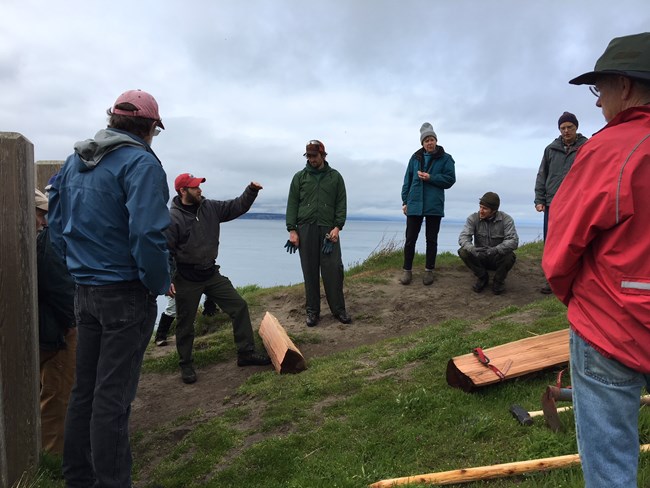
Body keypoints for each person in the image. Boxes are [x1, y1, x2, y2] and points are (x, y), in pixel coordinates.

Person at [48, 89, 171, 487]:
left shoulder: (74, 161)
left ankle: (77, 479)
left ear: (112, 119)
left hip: (85, 291)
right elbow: (149, 235)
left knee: (85, 392)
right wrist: (156, 284)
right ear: (151, 126)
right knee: (113, 400)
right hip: (125, 292)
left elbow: (54, 224)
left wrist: (77, 268)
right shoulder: (141, 163)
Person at [542, 33, 650, 488]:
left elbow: (559, 252)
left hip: (610, 326)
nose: (598, 101)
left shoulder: (609, 149)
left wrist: (576, 298)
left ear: (625, 85)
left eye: (599, 88)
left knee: (610, 465)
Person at [166, 173, 271, 384]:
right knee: (185, 323)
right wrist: (167, 278)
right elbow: (165, 251)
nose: (200, 190)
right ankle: (186, 365)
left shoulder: (210, 207)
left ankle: (246, 353)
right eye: (195, 187)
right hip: (186, 277)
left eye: (199, 186)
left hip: (211, 273)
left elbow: (236, 206)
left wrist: (251, 191)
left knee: (239, 306)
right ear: (182, 191)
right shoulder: (172, 218)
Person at [286, 139, 352, 327]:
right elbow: (292, 204)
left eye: (314, 156)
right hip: (305, 229)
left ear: (323, 155)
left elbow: (341, 204)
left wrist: (337, 227)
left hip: (329, 230)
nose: (311, 159)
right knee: (310, 271)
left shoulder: (335, 177)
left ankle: (339, 310)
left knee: (333, 271)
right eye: (308, 156)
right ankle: (312, 312)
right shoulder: (299, 177)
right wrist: (292, 230)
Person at [34, 189, 76, 456]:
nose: (43, 220)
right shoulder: (52, 238)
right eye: (39, 214)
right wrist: (73, 319)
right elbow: (57, 283)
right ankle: (54, 456)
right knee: (57, 393)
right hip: (56, 329)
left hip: (45, 327)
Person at [534, 111, 588, 294]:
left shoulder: (587, 147)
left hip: (576, 202)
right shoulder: (550, 149)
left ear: (576, 127)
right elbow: (542, 174)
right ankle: (552, 280)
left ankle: (577, 278)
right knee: (551, 242)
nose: (566, 131)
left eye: (569, 127)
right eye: (563, 128)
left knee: (575, 240)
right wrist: (539, 199)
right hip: (552, 203)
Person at [399, 122, 456, 286]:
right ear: (422, 143)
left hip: (434, 205)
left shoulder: (446, 158)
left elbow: (450, 180)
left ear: (436, 140)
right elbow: (407, 180)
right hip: (414, 204)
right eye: (426, 141)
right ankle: (407, 271)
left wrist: (431, 177)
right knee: (410, 239)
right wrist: (405, 201)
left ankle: (429, 271)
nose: (429, 143)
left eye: (431, 139)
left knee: (431, 239)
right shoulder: (414, 158)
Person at [458, 192, 519, 295]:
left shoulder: (506, 220)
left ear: (494, 210)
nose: (481, 211)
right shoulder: (473, 218)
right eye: (480, 207)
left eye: (485, 208)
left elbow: (513, 241)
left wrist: (496, 249)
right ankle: (482, 277)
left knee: (510, 256)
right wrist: (472, 249)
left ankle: (498, 281)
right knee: (463, 252)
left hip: (497, 257)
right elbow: (463, 238)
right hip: (480, 256)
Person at [154, 295, 219, 347]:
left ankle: (210, 312)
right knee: (173, 308)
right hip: (175, 281)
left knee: (210, 287)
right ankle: (160, 336)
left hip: (196, 280)